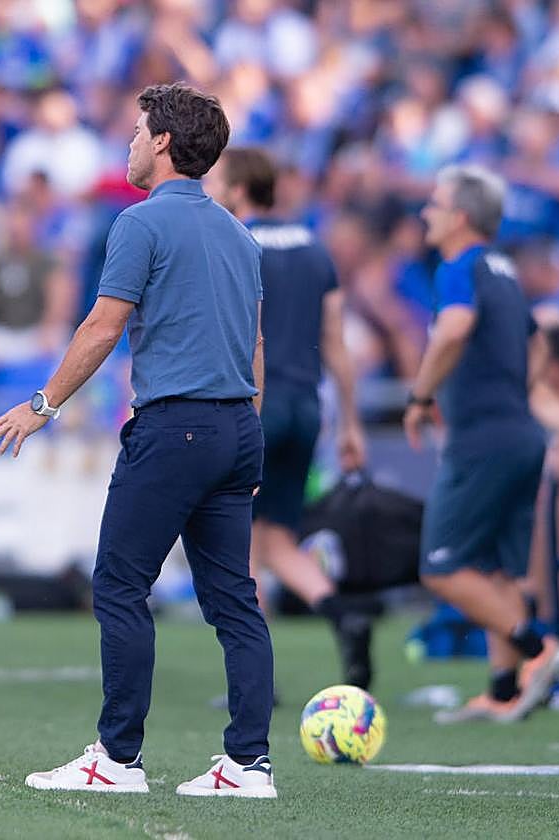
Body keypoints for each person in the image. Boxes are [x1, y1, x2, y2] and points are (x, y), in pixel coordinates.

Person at [0, 83, 277, 798]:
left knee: (118, 585)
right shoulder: (238, 231)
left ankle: (117, 761)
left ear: (164, 144)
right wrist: (248, 435)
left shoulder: (140, 224)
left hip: (175, 426)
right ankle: (250, 765)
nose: (130, 141)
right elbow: (256, 346)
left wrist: (41, 405)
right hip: (237, 426)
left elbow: (102, 326)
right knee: (235, 599)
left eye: (139, 129)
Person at [204, 146, 375, 690]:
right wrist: (350, 421)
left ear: (238, 189)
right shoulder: (313, 248)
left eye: (215, 181)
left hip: (255, 405)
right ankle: (342, 611)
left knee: (238, 543)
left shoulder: (236, 241)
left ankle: (254, 680)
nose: (208, 191)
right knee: (276, 539)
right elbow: (337, 344)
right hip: (306, 408)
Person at [404, 164, 559, 724]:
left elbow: (452, 328)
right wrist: (512, 391)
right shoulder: (505, 268)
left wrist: (421, 396)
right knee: (495, 569)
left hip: (484, 440)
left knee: (442, 568)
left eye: (436, 203)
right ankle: (502, 691)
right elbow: (539, 341)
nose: (426, 211)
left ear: (461, 217)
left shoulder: (461, 264)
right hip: (520, 434)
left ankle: (535, 647)